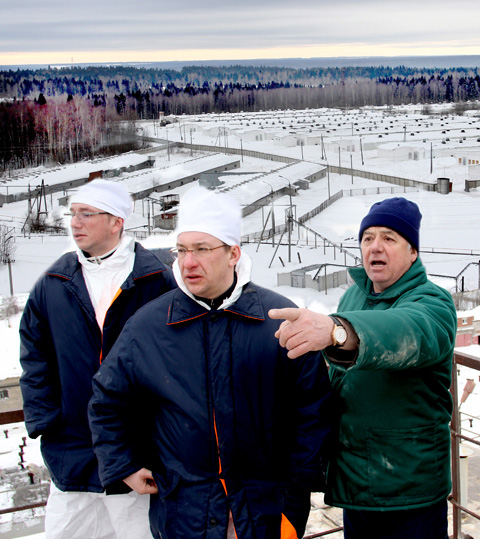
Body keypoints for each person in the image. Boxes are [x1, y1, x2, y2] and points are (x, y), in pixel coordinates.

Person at [88, 186, 332, 539]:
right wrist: (122, 463)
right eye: (182, 250)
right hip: (183, 514)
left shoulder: (280, 319)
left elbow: (313, 409)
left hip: (265, 513)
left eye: (202, 249)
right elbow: (107, 400)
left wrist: (294, 493)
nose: (188, 262)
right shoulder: (149, 326)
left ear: (233, 253)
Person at [269, 197, 457, 539]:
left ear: (413, 252)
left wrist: (337, 330)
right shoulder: (354, 297)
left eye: (389, 238)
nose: (375, 247)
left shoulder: (433, 302)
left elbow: (407, 331)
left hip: (408, 489)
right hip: (356, 484)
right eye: (368, 238)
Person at [19, 179, 176, 539]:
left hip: (136, 453)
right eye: (72, 214)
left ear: (116, 221)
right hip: (72, 450)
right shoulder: (55, 283)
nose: (75, 223)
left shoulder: (156, 282)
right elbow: (34, 356)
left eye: (86, 214)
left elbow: (178, 362)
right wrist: (47, 421)